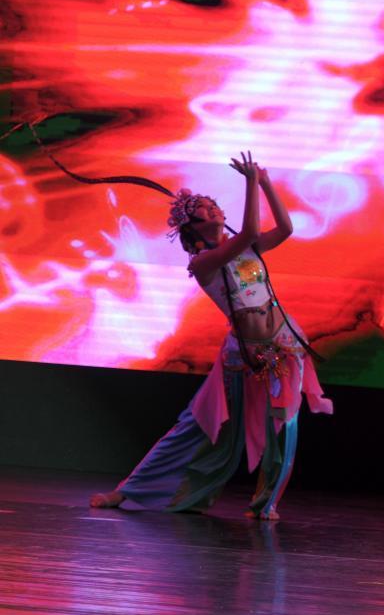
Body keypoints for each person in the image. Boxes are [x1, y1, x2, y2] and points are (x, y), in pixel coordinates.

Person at [85, 150, 333, 520]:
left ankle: (266, 503)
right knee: (196, 425)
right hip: (243, 354)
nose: (214, 208)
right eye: (204, 207)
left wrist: (265, 182)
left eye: (214, 204)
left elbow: (285, 229)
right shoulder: (202, 263)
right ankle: (126, 491)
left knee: (284, 424)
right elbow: (250, 231)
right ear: (192, 225)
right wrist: (251, 182)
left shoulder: (248, 248)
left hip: (281, 342)